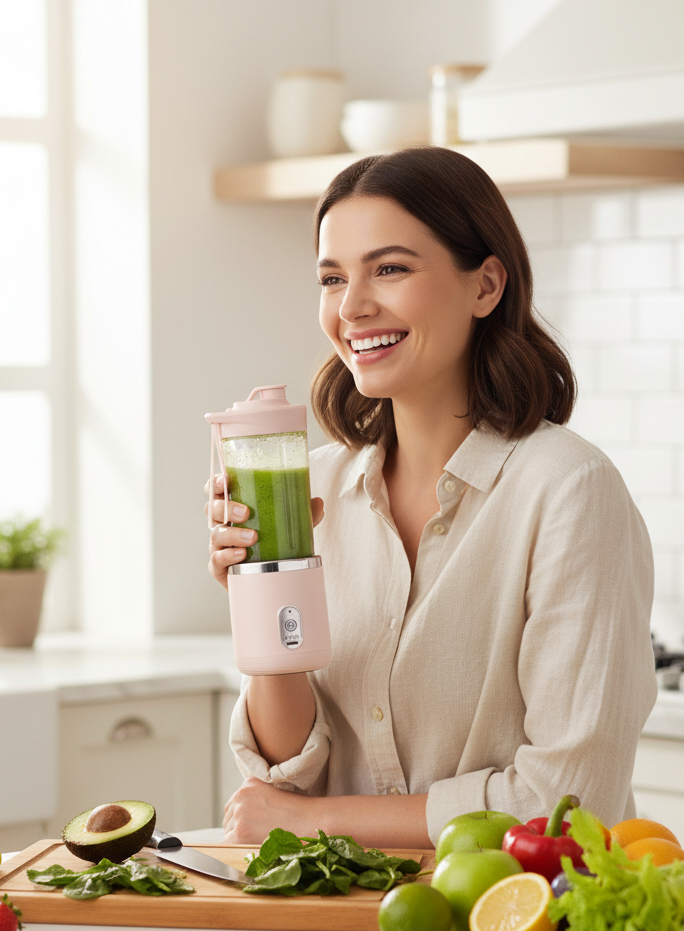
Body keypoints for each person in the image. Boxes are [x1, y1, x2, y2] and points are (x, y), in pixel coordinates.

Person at [209, 148, 656, 849]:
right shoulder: (315, 489)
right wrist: (265, 601)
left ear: (485, 287)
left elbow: (570, 804)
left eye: (389, 268)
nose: (352, 306)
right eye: (332, 277)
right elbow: (289, 775)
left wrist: (315, 821)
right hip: (346, 929)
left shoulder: (568, 491)